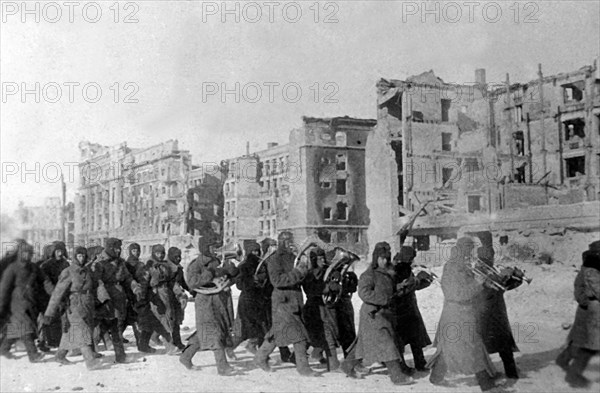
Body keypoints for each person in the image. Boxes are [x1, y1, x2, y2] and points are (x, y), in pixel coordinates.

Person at [427, 237, 497, 391]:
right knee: (473, 347)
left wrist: (485, 282)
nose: (472, 254)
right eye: (470, 250)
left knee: (450, 348)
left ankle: (436, 377)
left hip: (463, 313)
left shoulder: (463, 266)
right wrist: (477, 283)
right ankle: (487, 385)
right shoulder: (452, 268)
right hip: (457, 313)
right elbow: (456, 294)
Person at [341, 242, 414, 385]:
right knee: (386, 343)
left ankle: (347, 365)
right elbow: (364, 293)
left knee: (363, 345)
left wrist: (401, 287)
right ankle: (396, 376)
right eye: (382, 258)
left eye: (387, 258)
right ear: (376, 258)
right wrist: (383, 299)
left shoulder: (388, 274)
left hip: (385, 314)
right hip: (373, 314)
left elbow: (390, 290)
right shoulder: (369, 274)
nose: (385, 261)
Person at [254, 231, 317, 377]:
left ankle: (260, 358)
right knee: (299, 335)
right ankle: (303, 368)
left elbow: (300, 277)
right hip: (282, 302)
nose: (290, 243)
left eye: (291, 239)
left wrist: (306, 271)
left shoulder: (294, 257)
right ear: (281, 242)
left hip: (293, 301)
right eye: (286, 240)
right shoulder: (275, 259)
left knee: (277, 334)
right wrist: (298, 272)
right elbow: (277, 281)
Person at [179, 236, 238, 375]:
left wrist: (230, 275)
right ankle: (222, 367)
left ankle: (185, 357)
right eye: (211, 246)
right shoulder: (196, 264)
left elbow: (228, 279)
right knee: (215, 332)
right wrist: (209, 273)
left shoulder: (218, 261)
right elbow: (192, 283)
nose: (215, 249)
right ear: (205, 248)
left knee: (205, 332)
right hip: (205, 302)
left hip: (220, 301)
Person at [42, 247, 101, 370]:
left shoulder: (88, 270)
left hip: (87, 304)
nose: (82, 258)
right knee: (81, 330)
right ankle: (90, 361)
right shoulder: (68, 272)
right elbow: (57, 292)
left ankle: (60, 355)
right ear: (74, 257)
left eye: (84, 256)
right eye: (79, 256)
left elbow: (95, 286)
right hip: (74, 305)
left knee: (71, 332)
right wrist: (49, 313)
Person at [473, 239, 519, 379]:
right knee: (484, 346)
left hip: (498, 312)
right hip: (485, 313)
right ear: (482, 258)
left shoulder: (493, 270)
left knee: (504, 344)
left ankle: (511, 373)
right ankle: (485, 375)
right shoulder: (477, 272)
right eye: (489, 257)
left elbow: (503, 288)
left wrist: (515, 278)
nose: (492, 259)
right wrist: (500, 279)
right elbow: (482, 292)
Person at [91, 238, 143, 363]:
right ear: (109, 248)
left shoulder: (120, 262)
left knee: (116, 326)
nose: (118, 250)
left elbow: (128, 278)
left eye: (119, 248)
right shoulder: (99, 263)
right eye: (115, 248)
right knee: (100, 327)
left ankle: (120, 355)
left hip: (118, 298)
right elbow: (96, 281)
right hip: (104, 299)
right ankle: (90, 351)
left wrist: (135, 286)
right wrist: (103, 298)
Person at [556, 240, 600, 388]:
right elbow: (580, 292)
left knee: (583, 343)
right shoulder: (589, 270)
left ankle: (566, 362)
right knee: (587, 345)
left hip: (590, 311)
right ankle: (574, 374)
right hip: (587, 312)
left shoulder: (592, 268)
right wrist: (587, 302)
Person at [0, 241, 53, 362]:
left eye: (29, 254)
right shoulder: (13, 268)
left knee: (16, 327)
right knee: (26, 326)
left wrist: (53, 292)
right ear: (20, 254)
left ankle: (3, 348)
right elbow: (4, 287)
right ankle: (33, 355)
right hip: (17, 302)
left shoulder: (34, 268)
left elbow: (45, 281)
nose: (27, 256)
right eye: (24, 253)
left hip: (31, 301)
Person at [391, 246, 432, 372]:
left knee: (414, 338)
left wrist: (425, 281)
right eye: (411, 257)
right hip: (402, 309)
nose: (412, 260)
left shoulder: (402, 266)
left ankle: (418, 362)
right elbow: (405, 287)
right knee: (406, 339)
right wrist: (420, 279)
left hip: (407, 308)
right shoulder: (399, 268)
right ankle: (406, 365)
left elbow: (412, 286)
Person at [302, 247, 341, 371]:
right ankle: (333, 365)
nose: (323, 260)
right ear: (313, 259)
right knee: (314, 337)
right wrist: (327, 287)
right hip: (313, 308)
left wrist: (337, 278)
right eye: (319, 258)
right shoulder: (308, 274)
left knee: (325, 335)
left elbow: (336, 283)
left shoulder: (328, 270)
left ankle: (317, 355)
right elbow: (310, 290)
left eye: (323, 257)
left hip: (326, 308)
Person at [234, 241, 270, 354]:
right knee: (249, 329)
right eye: (253, 251)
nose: (256, 253)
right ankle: (231, 348)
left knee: (261, 327)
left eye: (257, 251)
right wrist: (251, 281)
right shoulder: (243, 266)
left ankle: (257, 351)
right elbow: (239, 284)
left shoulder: (263, 264)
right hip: (248, 300)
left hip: (260, 300)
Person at [146, 244, 181, 352]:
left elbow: (172, 281)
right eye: (157, 253)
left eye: (162, 253)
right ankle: (169, 346)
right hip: (155, 295)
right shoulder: (149, 266)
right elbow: (144, 282)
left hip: (167, 293)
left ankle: (154, 337)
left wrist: (179, 292)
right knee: (163, 320)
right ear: (153, 253)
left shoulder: (166, 266)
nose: (160, 256)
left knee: (169, 318)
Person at [39, 241, 70, 350]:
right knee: (47, 318)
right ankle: (42, 341)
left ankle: (56, 341)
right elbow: (46, 282)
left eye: (61, 251)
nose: (60, 253)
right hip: (48, 296)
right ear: (53, 252)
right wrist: (55, 294)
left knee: (60, 319)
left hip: (62, 295)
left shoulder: (65, 264)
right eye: (57, 251)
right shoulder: (46, 265)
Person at [167, 246, 190, 351]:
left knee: (177, 320)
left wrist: (191, 290)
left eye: (179, 256)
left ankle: (177, 341)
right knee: (168, 320)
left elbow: (182, 283)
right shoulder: (166, 267)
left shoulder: (179, 268)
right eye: (176, 257)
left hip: (176, 297)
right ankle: (169, 343)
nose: (178, 258)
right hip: (167, 297)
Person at [122, 243, 143, 348]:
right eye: (134, 251)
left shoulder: (140, 264)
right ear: (130, 251)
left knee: (131, 318)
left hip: (138, 292)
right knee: (133, 317)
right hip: (130, 293)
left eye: (138, 250)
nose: (137, 253)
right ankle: (140, 342)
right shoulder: (126, 264)